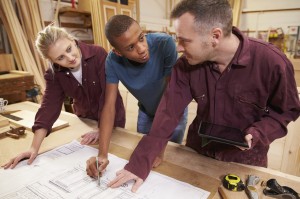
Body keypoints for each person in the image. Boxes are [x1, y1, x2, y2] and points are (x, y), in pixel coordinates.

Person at [105, 0, 300, 192]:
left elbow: (286, 111)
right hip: (198, 153)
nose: (178, 48)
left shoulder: (272, 63)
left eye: (185, 40)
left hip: (244, 162)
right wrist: (139, 163)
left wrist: (259, 132)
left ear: (215, 36)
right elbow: (167, 113)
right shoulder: (185, 66)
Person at [2, 25, 125, 169]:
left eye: (69, 49)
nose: (70, 58)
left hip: (111, 117)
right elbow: (48, 107)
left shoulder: (98, 54)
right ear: (52, 60)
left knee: (119, 154)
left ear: (72, 40)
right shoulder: (54, 74)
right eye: (60, 58)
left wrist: (100, 130)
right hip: (85, 119)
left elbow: (108, 99)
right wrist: (33, 148)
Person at [85, 15, 188, 179]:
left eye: (141, 38)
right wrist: (102, 155)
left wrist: (158, 149)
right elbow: (109, 107)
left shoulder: (164, 44)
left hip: (172, 111)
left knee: (170, 160)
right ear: (118, 52)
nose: (141, 48)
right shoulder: (112, 62)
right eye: (131, 47)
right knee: (145, 155)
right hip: (146, 112)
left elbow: (172, 98)